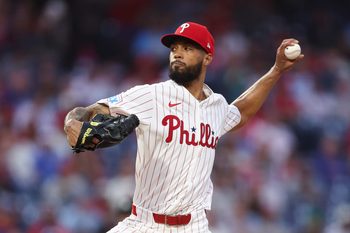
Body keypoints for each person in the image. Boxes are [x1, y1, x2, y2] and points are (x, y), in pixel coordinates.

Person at [64, 22, 303, 232]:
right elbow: (91, 110)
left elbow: (241, 112)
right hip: (145, 223)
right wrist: (71, 123)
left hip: (194, 226)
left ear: (207, 57)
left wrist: (277, 70)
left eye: (187, 49)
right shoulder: (152, 95)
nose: (177, 54)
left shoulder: (216, 106)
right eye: (174, 49)